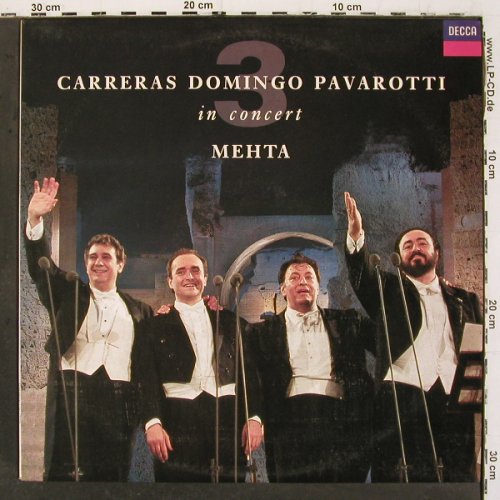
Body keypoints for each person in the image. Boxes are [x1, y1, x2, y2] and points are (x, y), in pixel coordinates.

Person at [344, 191, 482, 482]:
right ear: (400, 257)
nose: (415, 248)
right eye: (407, 245)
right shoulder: (387, 289)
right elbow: (362, 273)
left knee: (459, 477)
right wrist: (356, 237)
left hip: (454, 397)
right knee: (405, 480)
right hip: (401, 397)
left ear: (436, 254)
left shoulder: (465, 299)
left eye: (422, 243)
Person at [24, 177, 153, 481]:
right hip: (71, 393)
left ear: (121, 264)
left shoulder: (140, 310)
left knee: (113, 477)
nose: (99, 262)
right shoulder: (68, 292)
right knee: (65, 476)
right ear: (85, 264)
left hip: (120, 399)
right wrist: (35, 220)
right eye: (93, 257)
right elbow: (40, 269)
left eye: (106, 257)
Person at [137, 248, 263, 482]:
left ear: (205, 279)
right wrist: (152, 422)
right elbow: (147, 379)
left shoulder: (231, 322)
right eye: (181, 271)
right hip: (176, 418)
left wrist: (254, 417)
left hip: (228, 417)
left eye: (196, 271)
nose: (189, 276)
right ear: (170, 281)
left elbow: (250, 375)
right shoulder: (151, 327)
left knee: (229, 489)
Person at [246, 253, 374, 482]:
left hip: (341, 418)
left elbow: (387, 338)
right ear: (283, 289)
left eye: (309, 277)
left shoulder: (348, 321)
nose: (302, 281)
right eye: (294, 277)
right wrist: (255, 417)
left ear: (318, 285)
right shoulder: (261, 332)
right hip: (288, 420)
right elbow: (252, 379)